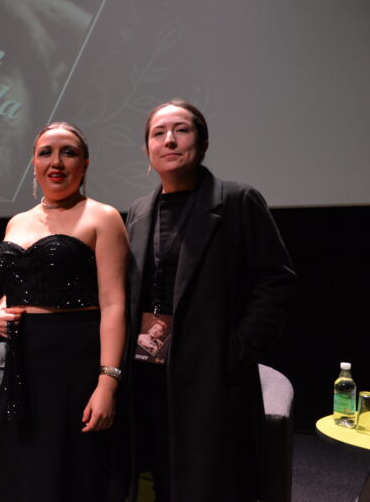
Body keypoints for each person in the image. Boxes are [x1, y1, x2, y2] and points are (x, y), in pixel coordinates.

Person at [126, 100, 297, 502]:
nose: (169, 140)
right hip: (149, 374)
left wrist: (236, 351)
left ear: (202, 143)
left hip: (212, 378)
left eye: (181, 130)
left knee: (212, 484)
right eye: (158, 133)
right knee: (163, 479)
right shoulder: (138, 212)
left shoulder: (238, 201)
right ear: (147, 150)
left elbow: (276, 281)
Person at [0, 122, 129, 502]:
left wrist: (107, 384)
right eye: (46, 153)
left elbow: (114, 304)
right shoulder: (17, 221)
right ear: (34, 163)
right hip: (23, 366)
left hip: (76, 365)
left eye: (68, 152)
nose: (56, 162)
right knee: (10, 477)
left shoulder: (103, 217)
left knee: (66, 479)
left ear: (85, 164)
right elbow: (17, 285)